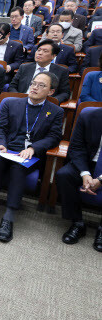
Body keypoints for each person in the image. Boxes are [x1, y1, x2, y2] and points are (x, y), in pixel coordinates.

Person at [0, 71, 64, 241]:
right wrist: (0, 143)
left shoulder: (55, 111)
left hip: (30, 155)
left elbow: (54, 137)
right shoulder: (11, 103)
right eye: (34, 83)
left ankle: (9, 217)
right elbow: (1, 127)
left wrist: (34, 148)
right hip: (8, 149)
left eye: (41, 85)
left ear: (51, 92)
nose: (35, 87)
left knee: (19, 167)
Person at [56, 107, 102, 252]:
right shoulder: (88, 115)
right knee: (64, 175)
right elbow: (76, 147)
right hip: (88, 162)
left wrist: (100, 179)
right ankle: (77, 223)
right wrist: (85, 174)